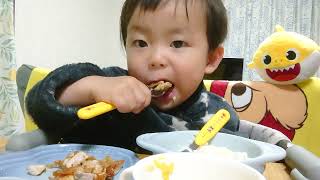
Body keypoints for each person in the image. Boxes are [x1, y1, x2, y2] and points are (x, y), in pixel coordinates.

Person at [9, 0, 242, 152]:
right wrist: (92, 87)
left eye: (177, 43)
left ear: (210, 59)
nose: (156, 58)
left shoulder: (217, 116)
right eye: (141, 43)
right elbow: (40, 103)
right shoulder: (112, 89)